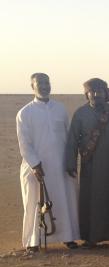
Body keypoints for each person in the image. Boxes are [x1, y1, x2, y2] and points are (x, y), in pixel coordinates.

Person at [65, 78, 109, 248]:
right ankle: (91, 237)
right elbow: (72, 140)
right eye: (93, 91)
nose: (97, 95)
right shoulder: (80, 114)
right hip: (92, 166)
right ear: (86, 94)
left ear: (106, 93)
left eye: (100, 91)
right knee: (92, 200)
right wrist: (70, 163)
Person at [16, 73, 79, 252]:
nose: (45, 86)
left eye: (47, 82)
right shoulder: (24, 113)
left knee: (64, 200)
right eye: (40, 83)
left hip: (59, 165)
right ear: (32, 87)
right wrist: (35, 164)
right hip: (36, 167)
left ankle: (68, 237)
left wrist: (70, 161)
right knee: (35, 202)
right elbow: (24, 143)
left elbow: (68, 137)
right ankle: (33, 241)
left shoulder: (60, 109)